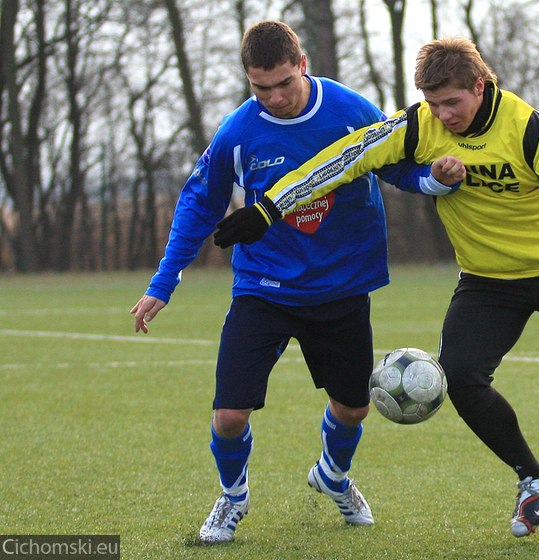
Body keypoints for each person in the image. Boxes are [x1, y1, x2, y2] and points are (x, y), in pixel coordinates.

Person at [213, 37, 539, 539]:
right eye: (432, 104)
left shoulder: (528, 129)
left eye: (451, 103)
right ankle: (533, 477)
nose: (442, 115)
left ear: (480, 87)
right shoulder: (420, 125)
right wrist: (270, 207)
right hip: (487, 282)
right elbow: (345, 157)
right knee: (460, 376)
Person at [130, 20, 465, 544]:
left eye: (284, 83)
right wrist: (163, 282)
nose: (275, 97)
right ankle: (232, 498)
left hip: (342, 288)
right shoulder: (238, 132)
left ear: (302, 64)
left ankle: (332, 475)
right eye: (261, 88)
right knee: (228, 415)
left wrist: (432, 181)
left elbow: (395, 165)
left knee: (354, 407)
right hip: (264, 288)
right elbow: (199, 203)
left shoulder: (350, 110)